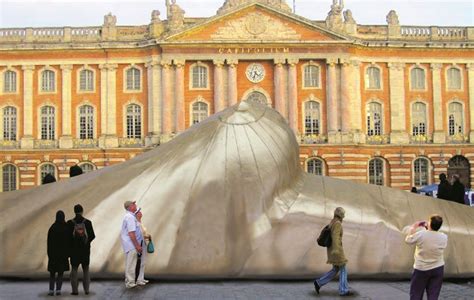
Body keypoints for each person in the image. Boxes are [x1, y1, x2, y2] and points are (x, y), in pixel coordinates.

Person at [405, 215, 447, 300]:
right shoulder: (444, 237)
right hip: (438, 268)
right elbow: (432, 238)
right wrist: (428, 229)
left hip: (421, 269)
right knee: (433, 295)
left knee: (416, 293)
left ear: (430, 223)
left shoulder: (421, 234)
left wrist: (414, 227)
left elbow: (408, 240)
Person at [313, 207, 353, 296]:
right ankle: (343, 290)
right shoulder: (338, 223)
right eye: (343, 213)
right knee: (343, 269)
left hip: (331, 250)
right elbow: (335, 237)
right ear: (340, 214)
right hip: (337, 250)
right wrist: (336, 250)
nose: (344, 215)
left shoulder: (332, 222)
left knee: (335, 269)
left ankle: (319, 283)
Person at [67, 204, 95, 295]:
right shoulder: (88, 222)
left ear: (74, 211)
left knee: (74, 270)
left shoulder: (70, 223)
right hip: (85, 251)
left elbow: (67, 237)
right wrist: (86, 242)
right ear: (82, 211)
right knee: (86, 270)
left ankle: (75, 291)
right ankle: (86, 290)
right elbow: (92, 236)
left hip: (74, 251)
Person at [120, 200, 144, 288]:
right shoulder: (130, 217)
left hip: (130, 244)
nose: (135, 205)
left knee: (130, 263)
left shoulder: (130, 216)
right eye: (133, 204)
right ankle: (130, 283)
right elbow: (131, 233)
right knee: (131, 263)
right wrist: (137, 245)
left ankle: (129, 281)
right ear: (129, 207)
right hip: (131, 245)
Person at [47, 210, 70, 296]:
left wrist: (49, 255)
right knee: (60, 273)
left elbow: (49, 243)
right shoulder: (66, 228)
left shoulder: (52, 228)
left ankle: (51, 290)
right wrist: (68, 254)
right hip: (62, 256)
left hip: (53, 255)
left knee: (52, 274)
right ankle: (58, 290)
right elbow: (69, 243)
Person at [135, 208, 151, 285]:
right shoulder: (136, 223)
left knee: (143, 262)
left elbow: (143, 233)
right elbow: (137, 235)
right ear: (136, 214)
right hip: (139, 244)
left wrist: (147, 236)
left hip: (144, 243)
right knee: (139, 262)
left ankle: (141, 278)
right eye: (139, 212)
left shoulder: (140, 222)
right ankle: (138, 279)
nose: (141, 213)